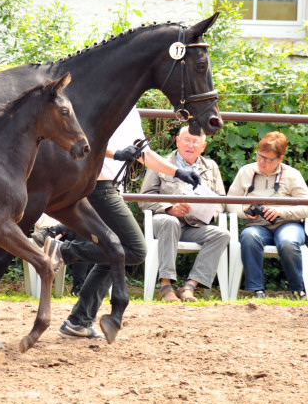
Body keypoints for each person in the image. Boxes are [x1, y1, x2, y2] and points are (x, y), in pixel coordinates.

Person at [38, 106, 201, 340]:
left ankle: (79, 322)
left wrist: (178, 172)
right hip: (98, 186)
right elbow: (81, 142)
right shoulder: (104, 102)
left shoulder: (130, 111)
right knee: (135, 250)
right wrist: (117, 154)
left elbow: (143, 154)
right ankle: (63, 251)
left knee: (114, 254)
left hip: (111, 188)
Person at [139, 126, 230, 302]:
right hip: (165, 222)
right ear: (178, 142)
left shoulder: (211, 167)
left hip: (195, 226)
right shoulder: (161, 163)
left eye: (196, 141)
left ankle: (189, 287)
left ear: (203, 146)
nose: (191, 145)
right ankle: (166, 286)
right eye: (187, 140)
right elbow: (144, 198)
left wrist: (210, 214)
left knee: (222, 235)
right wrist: (169, 208)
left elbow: (221, 200)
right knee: (170, 222)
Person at [226, 131, 308, 300]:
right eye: (259, 156)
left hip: (287, 223)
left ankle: (298, 290)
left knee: (288, 242)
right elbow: (229, 202)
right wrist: (245, 211)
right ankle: (257, 291)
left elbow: (306, 205)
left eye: (267, 159)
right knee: (248, 237)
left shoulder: (292, 175)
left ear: (280, 158)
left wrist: (281, 212)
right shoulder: (246, 171)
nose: (261, 162)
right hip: (257, 225)